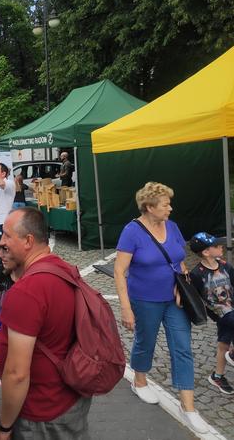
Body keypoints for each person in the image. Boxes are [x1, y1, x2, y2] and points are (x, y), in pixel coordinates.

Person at [113, 182, 208, 433]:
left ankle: (188, 408)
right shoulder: (132, 231)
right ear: (149, 207)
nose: (170, 208)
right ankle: (140, 381)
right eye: (166, 204)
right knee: (146, 341)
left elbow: (180, 260)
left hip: (174, 300)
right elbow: (120, 271)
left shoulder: (173, 227)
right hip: (144, 299)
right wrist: (125, 307)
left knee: (183, 347)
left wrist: (183, 284)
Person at [0, 208, 89, 439]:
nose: (1, 242)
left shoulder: (27, 291)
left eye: (7, 236)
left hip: (42, 412)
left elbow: (17, 374)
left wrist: (4, 428)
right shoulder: (63, 268)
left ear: (28, 241)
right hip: (69, 398)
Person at [188, 232, 234, 394]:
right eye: (216, 246)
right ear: (206, 252)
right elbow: (193, 296)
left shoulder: (225, 266)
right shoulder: (196, 274)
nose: (221, 246)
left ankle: (217, 375)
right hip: (220, 312)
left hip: (232, 308)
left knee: (223, 344)